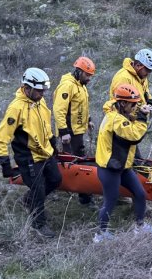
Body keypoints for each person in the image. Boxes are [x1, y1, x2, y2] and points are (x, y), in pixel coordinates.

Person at [0, 68, 62, 239]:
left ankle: (28, 200)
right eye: (39, 90)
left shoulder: (40, 102)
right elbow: (1, 137)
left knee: (56, 180)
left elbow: (46, 125)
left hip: (45, 152)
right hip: (28, 156)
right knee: (38, 189)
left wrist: (53, 143)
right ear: (27, 87)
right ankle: (38, 224)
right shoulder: (16, 108)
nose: (42, 94)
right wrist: (5, 162)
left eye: (43, 90)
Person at [93, 84, 152, 242]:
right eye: (133, 104)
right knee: (111, 199)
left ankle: (140, 226)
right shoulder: (115, 119)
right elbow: (134, 135)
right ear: (122, 103)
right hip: (109, 168)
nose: (135, 107)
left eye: (137, 103)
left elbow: (130, 122)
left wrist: (140, 111)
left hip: (122, 166)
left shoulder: (120, 113)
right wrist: (143, 118)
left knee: (139, 193)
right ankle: (100, 234)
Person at [53, 56, 96, 209]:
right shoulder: (67, 86)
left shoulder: (81, 85)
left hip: (78, 131)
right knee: (74, 165)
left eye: (91, 75)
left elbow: (82, 106)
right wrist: (64, 132)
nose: (89, 78)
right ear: (78, 72)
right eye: (87, 75)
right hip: (69, 134)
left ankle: (77, 192)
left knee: (78, 161)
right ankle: (82, 196)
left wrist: (88, 119)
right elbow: (59, 110)